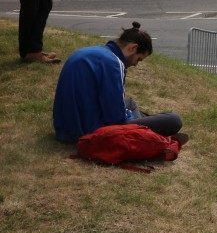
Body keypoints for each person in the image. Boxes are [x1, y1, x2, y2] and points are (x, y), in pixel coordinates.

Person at [53, 22, 184, 143]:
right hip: (89, 131)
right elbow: (115, 117)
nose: (135, 64)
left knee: (131, 103)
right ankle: (146, 134)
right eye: (138, 59)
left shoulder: (95, 52)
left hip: (65, 128)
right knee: (173, 120)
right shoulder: (113, 63)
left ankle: (145, 126)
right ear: (132, 48)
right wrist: (129, 116)